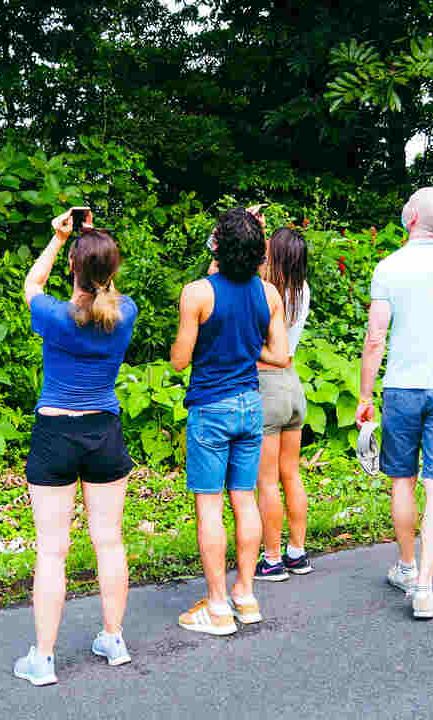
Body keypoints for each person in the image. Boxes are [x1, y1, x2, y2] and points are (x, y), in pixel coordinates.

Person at [13, 208, 139, 685]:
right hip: (103, 430)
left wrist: (59, 238)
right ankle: (114, 638)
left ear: (74, 268)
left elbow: (32, 284)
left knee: (52, 550)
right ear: (112, 271)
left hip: (56, 433)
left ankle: (43, 659)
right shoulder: (124, 314)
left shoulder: (52, 315)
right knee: (109, 540)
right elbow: (105, 295)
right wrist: (91, 250)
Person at [355, 187, 433, 620]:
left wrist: (365, 395)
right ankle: (425, 589)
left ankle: (407, 567)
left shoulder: (389, 267)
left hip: (403, 388)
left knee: (402, 480)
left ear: (410, 216)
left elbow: (376, 339)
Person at [170, 207, 290, 636]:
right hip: (251, 406)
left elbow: (180, 360)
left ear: (217, 246)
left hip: (211, 406)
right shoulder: (269, 294)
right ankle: (246, 595)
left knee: (210, 506)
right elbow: (280, 356)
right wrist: (246, 350)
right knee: (245, 499)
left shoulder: (197, 294)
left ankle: (218, 606)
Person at [254, 227, 313, 581]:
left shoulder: (263, 292)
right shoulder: (301, 290)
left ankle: (272, 558)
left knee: (267, 481)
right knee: (291, 473)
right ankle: (297, 552)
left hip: (267, 386)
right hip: (293, 385)